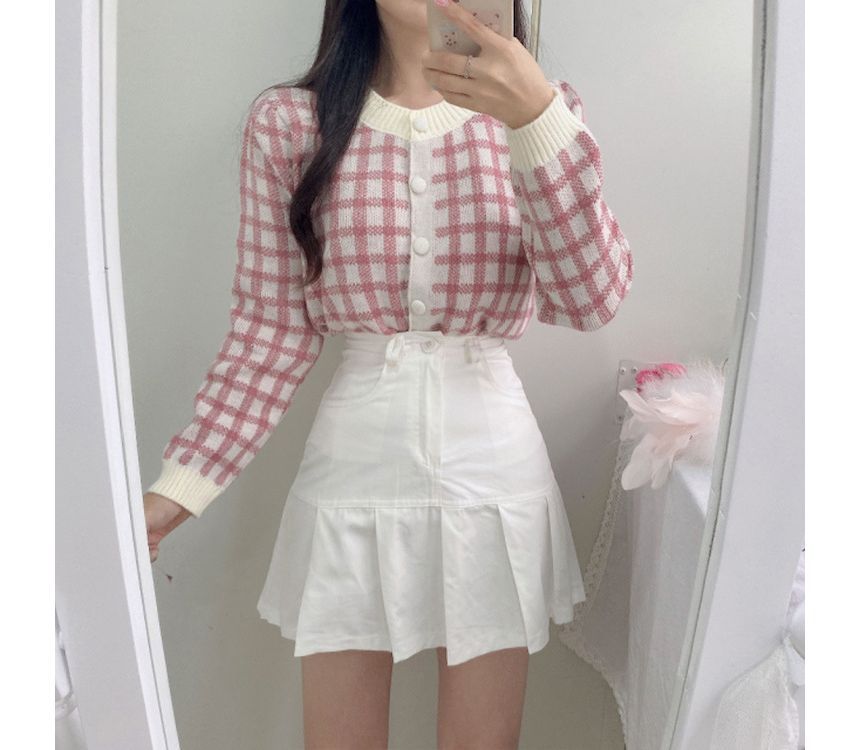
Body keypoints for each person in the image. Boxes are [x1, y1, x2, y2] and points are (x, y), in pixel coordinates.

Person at [143, 0, 634, 746]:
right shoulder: (292, 125)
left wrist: (536, 118)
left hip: (492, 472)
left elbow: (588, 299)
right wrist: (173, 495)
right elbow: (269, 334)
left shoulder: (539, 110)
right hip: (353, 468)